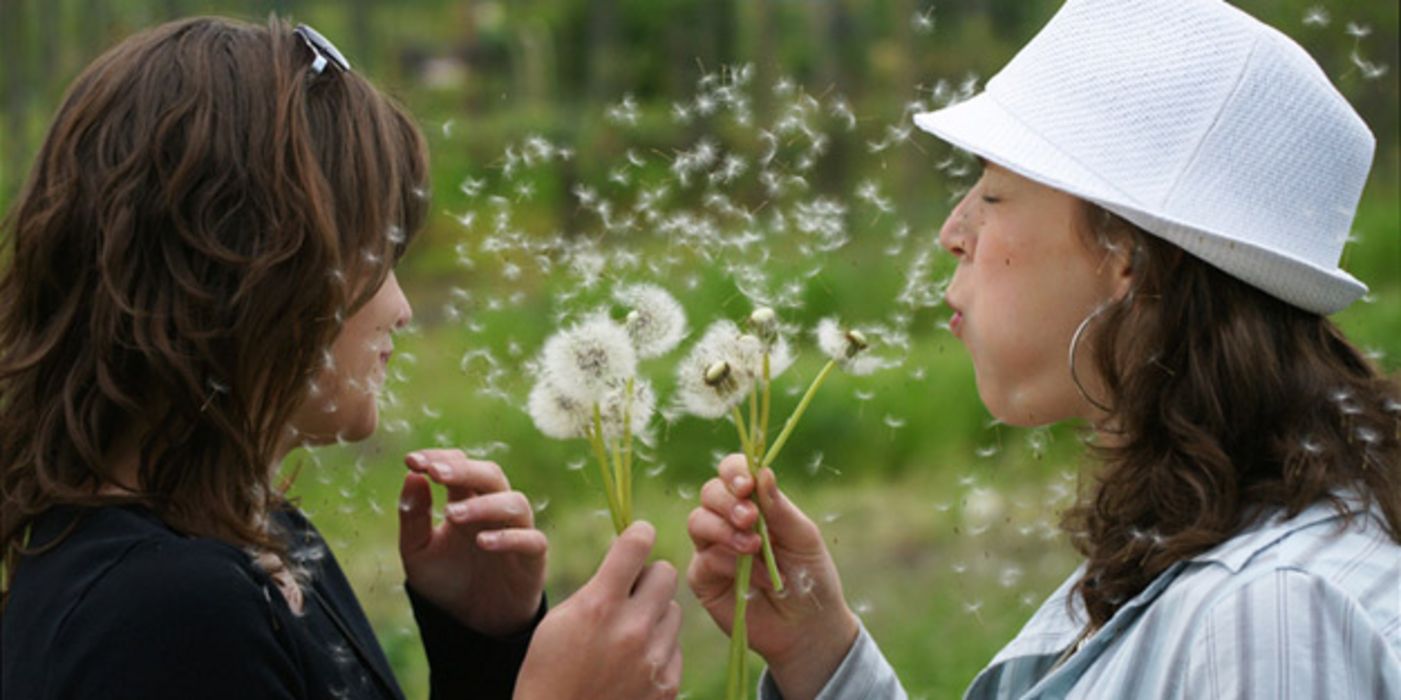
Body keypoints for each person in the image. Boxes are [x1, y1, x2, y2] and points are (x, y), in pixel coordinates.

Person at [686, 0, 1400, 697]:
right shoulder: (1201, 536)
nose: (953, 231)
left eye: (993, 196)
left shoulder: (1267, 618)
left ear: (1127, 254)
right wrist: (820, 655)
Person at [0, 16, 682, 700]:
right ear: (256, 274)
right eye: (374, 259)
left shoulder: (251, 537)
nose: (403, 308)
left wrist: (480, 646)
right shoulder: (161, 613)